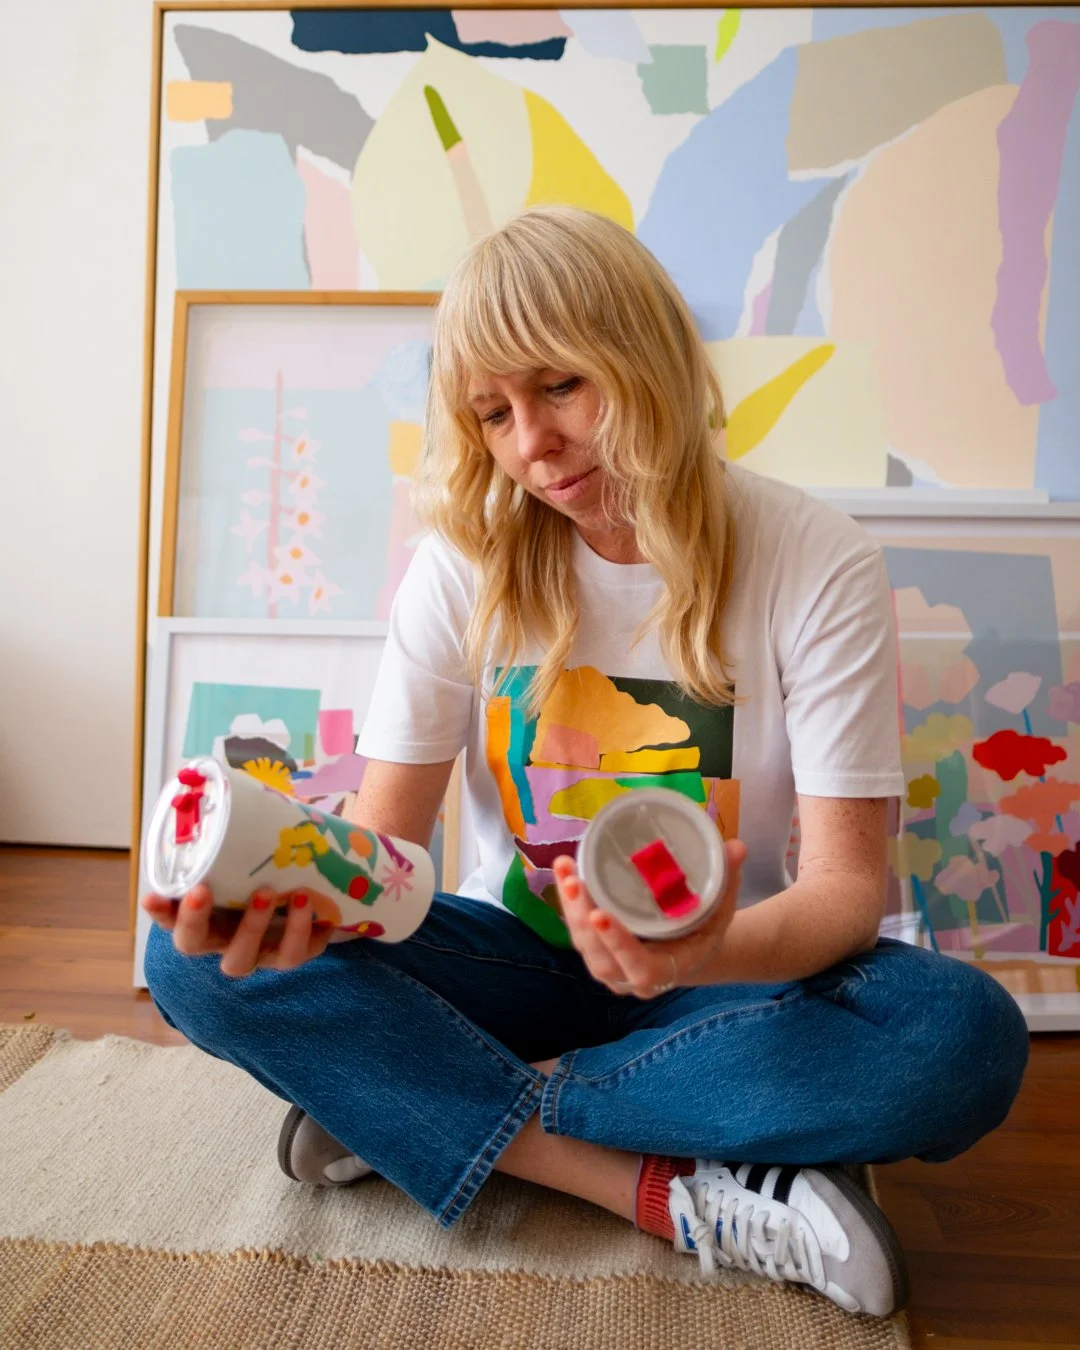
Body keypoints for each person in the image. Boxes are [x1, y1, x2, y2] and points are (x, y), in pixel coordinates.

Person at [142, 205, 1030, 1320]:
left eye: (560, 387)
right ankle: (645, 1183)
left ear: (647, 354)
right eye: (493, 413)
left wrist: (701, 953)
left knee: (958, 1039)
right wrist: (291, 890)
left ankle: (414, 1100)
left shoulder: (816, 560)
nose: (531, 445)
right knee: (182, 958)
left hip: (722, 977)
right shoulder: (464, 564)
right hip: (515, 959)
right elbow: (388, 856)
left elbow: (849, 891)